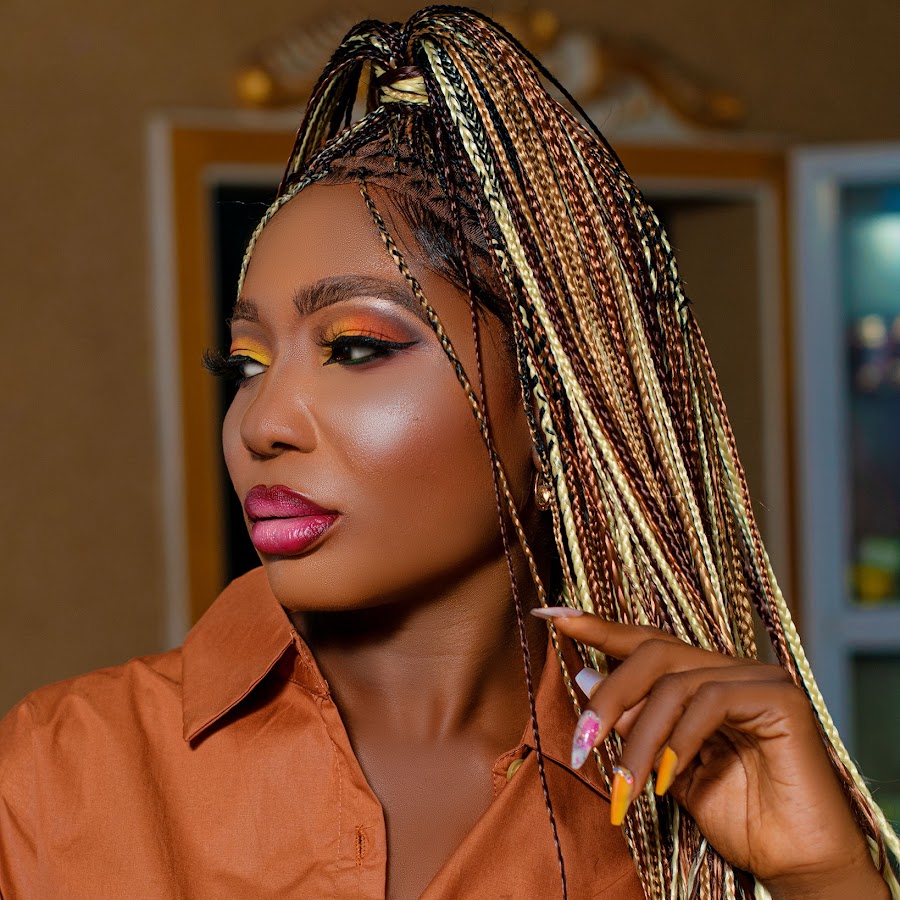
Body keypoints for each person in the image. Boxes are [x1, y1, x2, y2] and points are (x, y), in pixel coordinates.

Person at [1, 7, 897, 899]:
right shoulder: (57, 774)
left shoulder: (684, 806)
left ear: (555, 410)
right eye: (246, 364)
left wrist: (821, 877)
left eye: (356, 348)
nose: (260, 423)